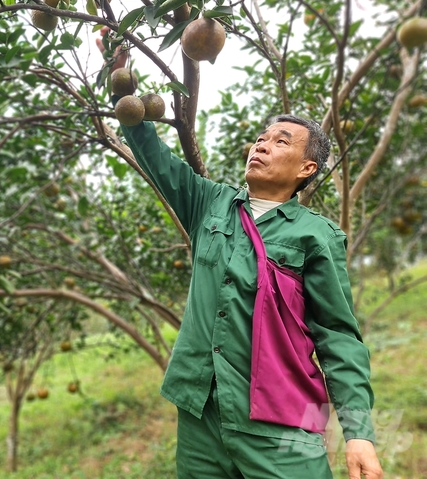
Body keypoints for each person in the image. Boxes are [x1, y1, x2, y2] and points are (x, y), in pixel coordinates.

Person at [114, 106, 384, 478]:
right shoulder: (211, 204)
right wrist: (124, 96)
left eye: (280, 141)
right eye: (260, 139)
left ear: (306, 169)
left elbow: (338, 337)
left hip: (281, 416)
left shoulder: (317, 236)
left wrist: (358, 434)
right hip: (201, 412)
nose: (261, 145)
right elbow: (157, 159)